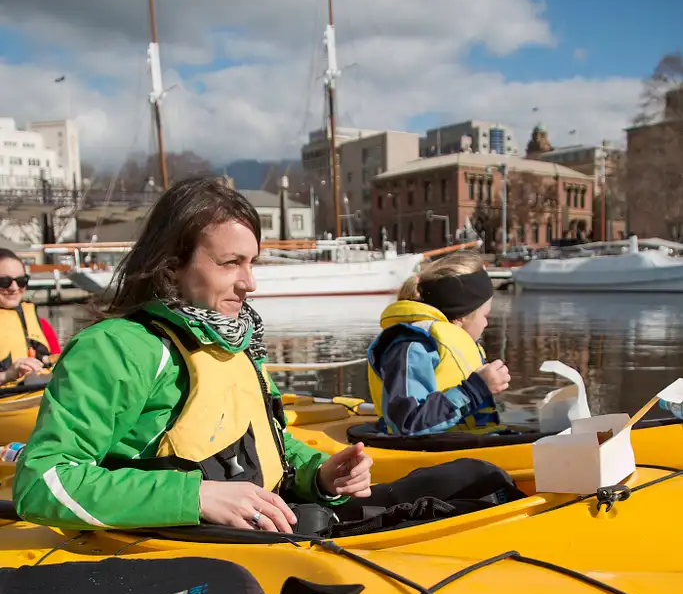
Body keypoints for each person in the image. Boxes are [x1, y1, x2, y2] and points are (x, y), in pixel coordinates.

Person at [14, 179, 522, 535]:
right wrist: (194, 497)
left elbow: (270, 450)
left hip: (276, 519)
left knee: (479, 477)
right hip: (206, 541)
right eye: (229, 263)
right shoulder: (117, 349)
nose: (249, 282)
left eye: (252, 262)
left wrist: (323, 476)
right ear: (170, 266)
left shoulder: (235, 341)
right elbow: (42, 483)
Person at [367, 253, 511, 436]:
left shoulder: (457, 343)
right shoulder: (414, 347)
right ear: (462, 316)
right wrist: (476, 388)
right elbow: (407, 425)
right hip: (430, 457)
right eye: (485, 316)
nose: (486, 324)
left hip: (467, 447)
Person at [0, 249, 60, 386]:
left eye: (21, 281)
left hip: (38, 396)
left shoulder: (42, 325)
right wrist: (7, 375)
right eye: (4, 281)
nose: (14, 288)